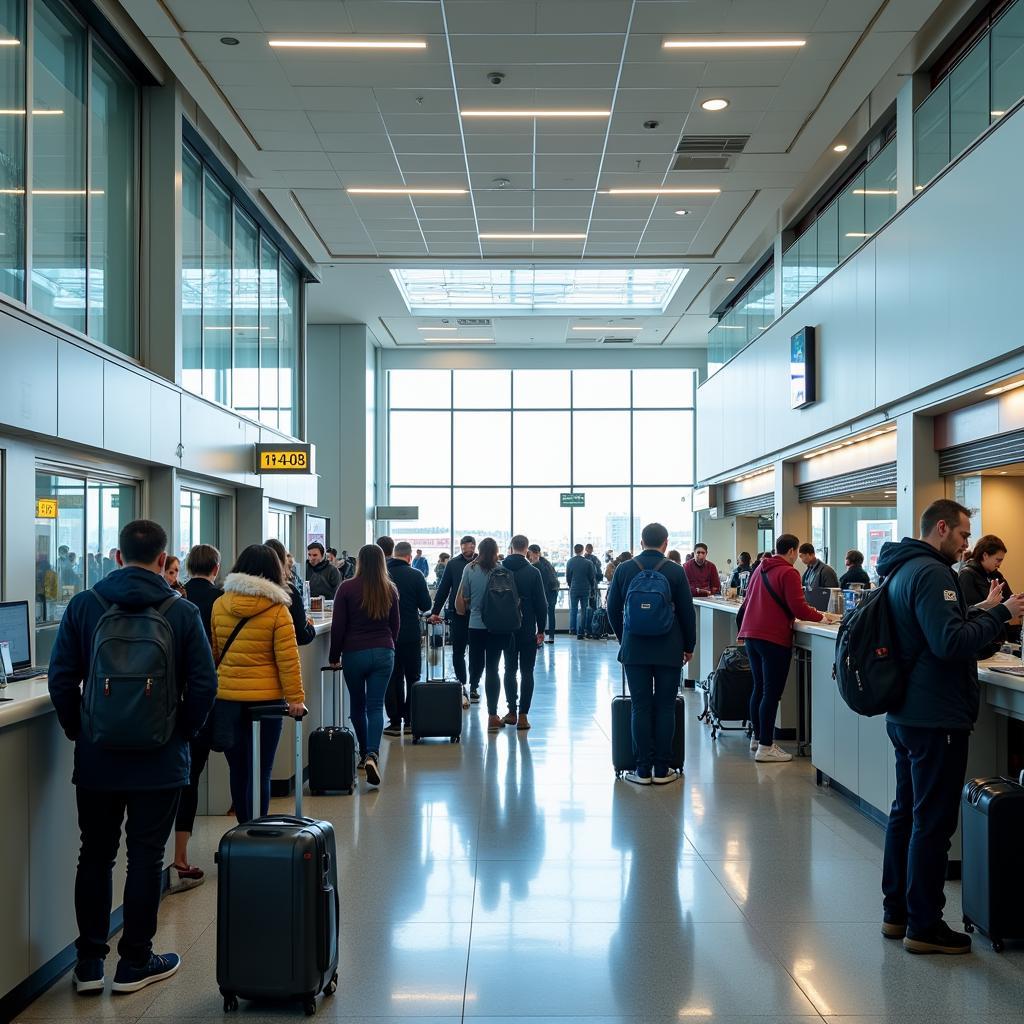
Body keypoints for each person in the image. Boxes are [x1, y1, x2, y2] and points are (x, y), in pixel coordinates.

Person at [48, 519, 217, 995]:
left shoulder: (85, 604)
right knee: (146, 857)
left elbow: (61, 679)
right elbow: (205, 684)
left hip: (98, 758)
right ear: (165, 562)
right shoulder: (180, 612)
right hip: (161, 760)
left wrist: (80, 730)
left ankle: (88, 965)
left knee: (95, 855)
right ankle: (135, 963)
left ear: (117, 557)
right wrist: (181, 731)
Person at [877, 501, 1024, 954]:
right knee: (933, 822)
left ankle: (897, 913)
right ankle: (925, 925)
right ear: (941, 528)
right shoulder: (934, 573)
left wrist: (980, 609)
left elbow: (931, 630)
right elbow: (948, 642)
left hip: (907, 713)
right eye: (963, 534)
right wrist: (1001, 616)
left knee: (906, 813)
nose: (966, 543)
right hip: (935, 715)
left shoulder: (900, 568)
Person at [212, 544, 306, 823]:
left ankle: (242, 830)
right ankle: (257, 834)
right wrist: (296, 699)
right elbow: (288, 660)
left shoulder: (220, 604)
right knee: (260, 770)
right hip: (266, 703)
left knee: (237, 770)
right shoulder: (278, 610)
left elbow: (215, 651)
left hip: (227, 699)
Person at [606, 522, 695, 785]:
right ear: (666, 542)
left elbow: (612, 610)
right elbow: (687, 613)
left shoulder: (624, 569)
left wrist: (625, 639)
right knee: (666, 706)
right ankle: (662, 768)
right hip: (669, 648)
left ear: (641, 542)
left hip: (635, 649)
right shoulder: (675, 570)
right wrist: (688, 646)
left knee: (640, 706)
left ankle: (642, 770)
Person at [738, 535, 838, 763]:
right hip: (773, 637)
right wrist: (823, 617)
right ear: (792, 551)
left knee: (759, 688)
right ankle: (766, 746)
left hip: (752, 634)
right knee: (772, 693)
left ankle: (757, 737)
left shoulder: (760, 569)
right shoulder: (789, 572)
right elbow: (799, 608)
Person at [172, 544, 224, 892]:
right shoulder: (224, 601)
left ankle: (179, 854)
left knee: (184, 779)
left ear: (188, 567)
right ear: (217, 568)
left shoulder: (176, 600)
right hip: (211, 698)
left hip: (173, 699)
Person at [329, 544, 399, 786]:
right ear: (381, 562)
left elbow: (338, 626)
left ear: (359, 562)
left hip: (354, 653)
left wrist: (333, 655)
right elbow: (395, 625)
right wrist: (389, 645)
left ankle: (362, 756)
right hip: (383, 651)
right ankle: (372, 753)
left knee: (357, 706)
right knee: (376, 707)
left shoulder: (346, 588)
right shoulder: (389, 589)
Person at [456, 537, 514, 731]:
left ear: (479, 550)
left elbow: (463, 600)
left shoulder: (470, 569)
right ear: (496, 551)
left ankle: (473, 688)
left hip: (476, 625)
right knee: (493, 669)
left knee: (475, 659)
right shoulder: (502, 570)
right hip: (497, 626)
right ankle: (492, 715)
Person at [383, 541, 432, 736]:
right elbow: (425, 605)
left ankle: (394, 722)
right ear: (410, 557)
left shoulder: (383, 575)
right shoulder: (416, 575)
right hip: (410, 633)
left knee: (392, 678)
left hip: (387, 635)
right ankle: (411, 720)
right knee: (412, 677)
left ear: (394, 555)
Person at [501, 536, 547, 730]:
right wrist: (541, 629)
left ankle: (511, 711)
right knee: (527, 671)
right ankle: (523, 716)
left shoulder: (500, 570)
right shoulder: (533, 572)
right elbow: (542, 604)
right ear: (527, 549)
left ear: (511, 548)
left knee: (509, 670)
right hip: (527, 628)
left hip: (505, 628)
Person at [430, 536, 477, 702]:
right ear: (461, 547)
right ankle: (462, 683)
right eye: (464, 547)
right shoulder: (453, 564)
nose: (467, 550)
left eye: (470, 547)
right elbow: (444, 588)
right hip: (458, 614)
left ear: (474, 547)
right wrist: (435, 611)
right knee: (458, 650)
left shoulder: (481, 563)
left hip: (478, 614)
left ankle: (475, 685)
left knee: (477, 652)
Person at [265, 538, 317, 646]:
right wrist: (310, 627)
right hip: (277, 657)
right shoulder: (288, 591)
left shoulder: (233, 595)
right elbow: (303, 635)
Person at [528, 544, 560, 643]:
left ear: (535, 553)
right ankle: (551, 637)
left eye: (530, 553)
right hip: (554, 590)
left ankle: (540, 637)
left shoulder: (537, 564)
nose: (528, 556)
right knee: (550, 613)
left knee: (541, 613)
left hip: (548, 591)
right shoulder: (546, 562)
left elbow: (543, 582)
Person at [565, 543, 598, 639]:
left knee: (573, 609)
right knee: (584, 610)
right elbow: (592, 578)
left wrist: (571, 585)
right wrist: (592, 588)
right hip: (585, 589)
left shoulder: (570, 562)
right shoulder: (588, 563)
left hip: (574, 588)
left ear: (574, 550)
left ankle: (572, 630)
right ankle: (581, 631)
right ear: (583, 550)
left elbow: (568, 577)